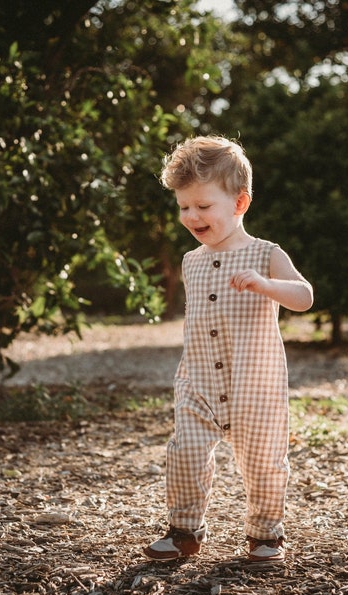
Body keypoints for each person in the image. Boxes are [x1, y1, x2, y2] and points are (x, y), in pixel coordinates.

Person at [143, 135, 313, 563]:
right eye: (184, 206)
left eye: (203, 206)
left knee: (262, 463)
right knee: (185, 454)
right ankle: (184, 530)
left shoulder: (265, 253)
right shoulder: (190, 261)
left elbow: (304, 295)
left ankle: (265, 535)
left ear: (239, 204)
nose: (191, 215)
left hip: (253, 383)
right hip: (198, 380)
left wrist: (266, 285)